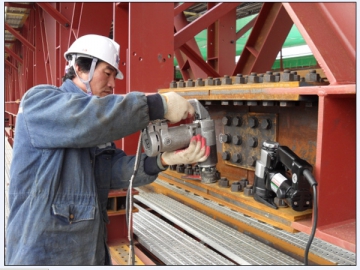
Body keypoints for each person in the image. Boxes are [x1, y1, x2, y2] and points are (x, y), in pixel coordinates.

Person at [5, 34, 210, 265]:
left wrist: (161, 161)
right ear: (81, 68)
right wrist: (158, 104)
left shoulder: (94, 129)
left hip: (87, 251)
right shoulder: (39, 102)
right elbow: (85, 119)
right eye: (108, 73)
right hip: (41, 252)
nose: (113, 84)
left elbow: (112, 171)